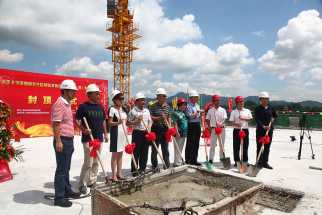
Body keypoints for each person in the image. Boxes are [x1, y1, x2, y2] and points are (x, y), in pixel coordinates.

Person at [51, 80, 80, 207]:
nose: (74, 93)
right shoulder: (59, 104)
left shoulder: (67, 104)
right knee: (61, 170)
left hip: (68, 140)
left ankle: (67, 190)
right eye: (73, 91)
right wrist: (58, 141)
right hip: (62, 140)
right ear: (66, 91)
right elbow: (56, 124)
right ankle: (59, 197)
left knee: (66, 168)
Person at [76, 84, 108, 194]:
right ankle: (82, 184)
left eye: (99, 93)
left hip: (98, 138)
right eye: (96, 93)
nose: (99, 95)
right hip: (88, 139)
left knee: (96, 162)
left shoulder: (100, 106)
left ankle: (92, 181)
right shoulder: (83, 107)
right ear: (89, 94)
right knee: (88, 163)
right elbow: (77, 121)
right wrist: (83, 130)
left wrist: (105, 133)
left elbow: (103, 121)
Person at [128, 92, 152, 176]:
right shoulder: (132, 111)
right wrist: (136, 121)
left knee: (144, 151)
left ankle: (142, 168)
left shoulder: (147, 111)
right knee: (135, 152)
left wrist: (149, 130)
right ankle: (134, 170)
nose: (143, 102)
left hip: (145, 132)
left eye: (144, 100)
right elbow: (128, 123)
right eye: (141, 100)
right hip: (137, 133)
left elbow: (149, 121)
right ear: (137, 101)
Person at [149, 88, 171, 170]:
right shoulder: (153, 106)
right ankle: (154, 166)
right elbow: (151, 117)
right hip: (156, 128)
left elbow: (168, 117)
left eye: (165, 96)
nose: (165, 97)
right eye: (163, 96)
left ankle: (167, 165)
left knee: (165, 148)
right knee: (155, 149)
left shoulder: (167, 106)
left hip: (165, 129)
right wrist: (159, 118)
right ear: (158, 97)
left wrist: (170, 128)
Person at [255, 91, 278, 169]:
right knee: (259, 147)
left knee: (267, 147)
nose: (265, 100)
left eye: (266, 99)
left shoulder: (271, 108)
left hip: (269, 131)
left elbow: (275, 116)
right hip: (260, 131)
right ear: (260, 100)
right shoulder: (257, 108)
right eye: (263, 99)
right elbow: (257, 119)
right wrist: (263, 126)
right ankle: (259, 162)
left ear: (268, 100)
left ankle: (265, 162)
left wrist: (273, 119)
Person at [108, 90, 127, 181]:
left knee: (120, 154)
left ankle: (119, 173)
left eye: (123, 98)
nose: (122, 100)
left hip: (123, 134)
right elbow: (110, 123)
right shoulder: (112, 109)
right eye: (120, 99)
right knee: (115, 155)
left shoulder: (122, 109)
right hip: (116, 134)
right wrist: (117, 122)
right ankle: (113, 175)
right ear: (115, 100)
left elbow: (126, 122)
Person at [229, 96, 253, 167]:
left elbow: (250, 118)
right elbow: (231, 122)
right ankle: (237, 161)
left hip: (245, 130)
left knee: (245, 146)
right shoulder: (234, 112)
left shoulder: (247, 111)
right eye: (239, 102)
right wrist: (237, 124)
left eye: (242, 102)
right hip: (237, 130)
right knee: (236, 146)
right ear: (236, 103)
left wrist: (244, 118)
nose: (241, 103)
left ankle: (245, 161)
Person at [206, 95, 227, 164]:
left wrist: (220, 124)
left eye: (218, 100)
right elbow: (207, 119)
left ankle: (221, 158)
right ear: (213, 102)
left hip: (221, 129)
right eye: (215, 101)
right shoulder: (210, 110)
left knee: (222, 145)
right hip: (213, 129)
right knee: (212, 145)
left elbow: (224, 119)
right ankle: (211, 159)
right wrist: (209, 127)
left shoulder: (223, 110)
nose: (217, 102)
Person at [186, 90, 202, 165]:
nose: (197, 98)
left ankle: (194, 159)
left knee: (196, 143)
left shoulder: (197, 105)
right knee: (190, 142)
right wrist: (197, 113)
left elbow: (198, 115)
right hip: (191, 125)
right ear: (191, 98)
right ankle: (188, 159)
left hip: (197, 124)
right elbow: (189, 116)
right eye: (196, 97)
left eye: (197, 97)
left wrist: (200, 114)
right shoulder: (188, 106)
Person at [171, 97, 188, 167]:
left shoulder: (183, 113)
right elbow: (175, 123)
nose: (184, 106)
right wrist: (177, 132)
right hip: (178, 133)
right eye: (183, 105)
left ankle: (179, 161)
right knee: (177, 148)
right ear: (179, 105)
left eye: (185, 105)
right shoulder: (175, 113)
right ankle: (176, 163)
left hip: (184, 133)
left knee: (181, 148)